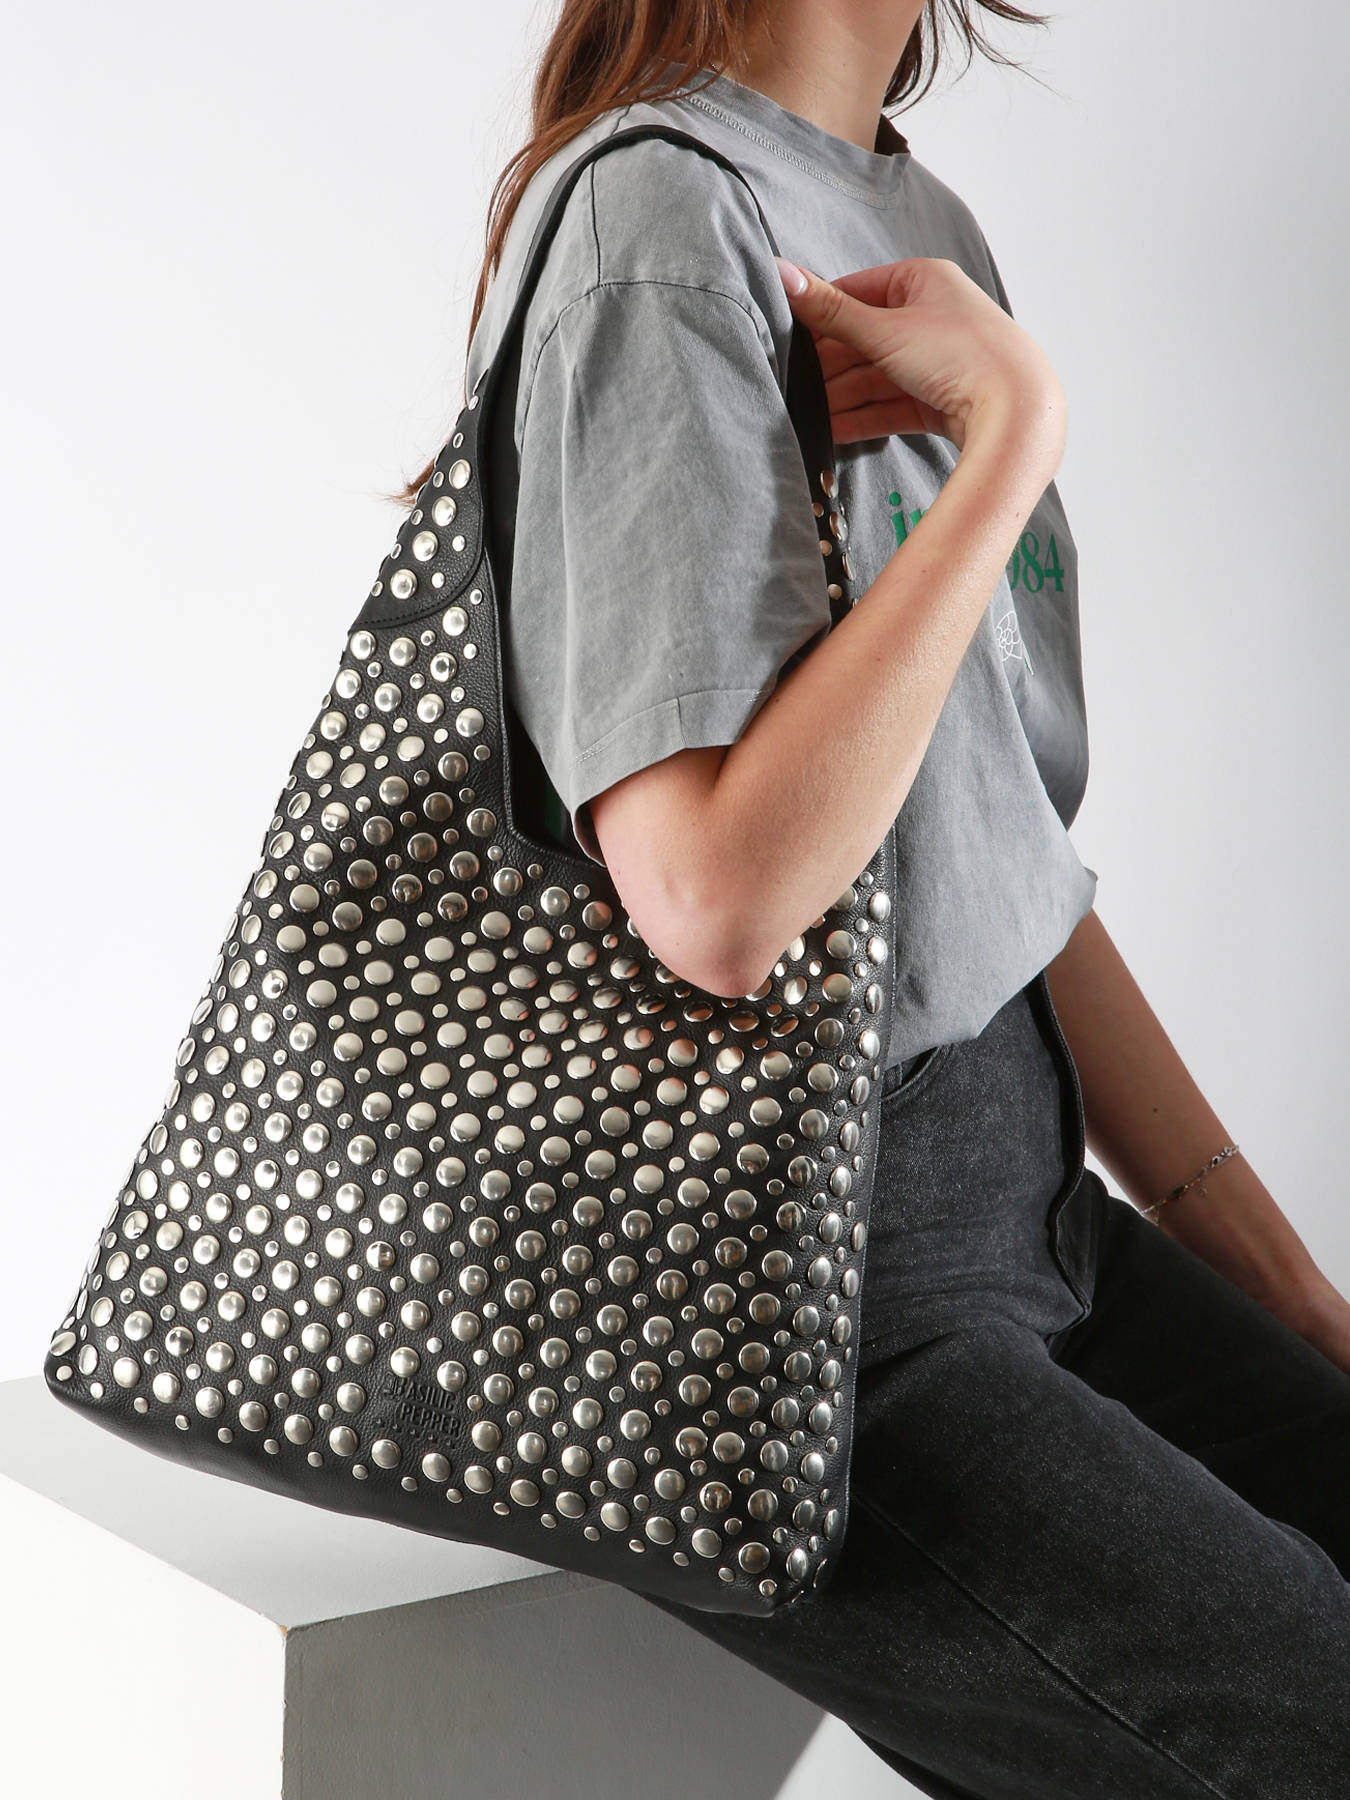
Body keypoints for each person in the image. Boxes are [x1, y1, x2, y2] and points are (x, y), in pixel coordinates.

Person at [396, 4, 1350, 1794]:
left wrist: (1287, 1297)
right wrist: (1010, 442)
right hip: (789, 1305)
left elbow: (1001, 855)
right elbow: (712, 897)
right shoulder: (660, 220)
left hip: (1025, 1212)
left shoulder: (913, 224)